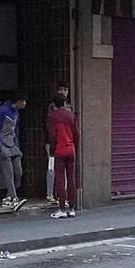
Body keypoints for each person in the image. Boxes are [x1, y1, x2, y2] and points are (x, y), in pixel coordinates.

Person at [47, 86, 78, 219]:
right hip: (71, 149)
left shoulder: (53, 116)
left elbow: (52, 135)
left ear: (54, 105)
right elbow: (76, 133)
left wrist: (52, 150)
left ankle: (61, 209)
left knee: (60, 178)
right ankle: (71, 208)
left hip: (60, 150)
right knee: (71, 178)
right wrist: (75, 146)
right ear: (65, 103)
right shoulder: (71, 115)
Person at [0, 92, 27, 211]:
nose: (25, 104)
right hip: (3, 143)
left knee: (19, 172)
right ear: (18, 101)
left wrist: (17, 146)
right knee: (9, 173)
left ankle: (9, 196)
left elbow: (16, 131)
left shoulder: (16, 113)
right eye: (23, 101)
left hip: (12, 143)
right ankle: (13, 198)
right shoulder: (2, 110)